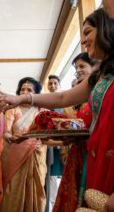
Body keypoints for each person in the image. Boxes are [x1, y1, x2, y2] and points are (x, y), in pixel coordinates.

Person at [0, 8, 114, 211]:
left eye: (88, 32)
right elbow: (63, 97)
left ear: (109, 28)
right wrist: (21, 98)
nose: (84, 41)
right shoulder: (104, 75)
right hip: (104, 168)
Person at [53, 52, 96, 212]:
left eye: (82, 66)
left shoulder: (99, 92)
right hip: (77, 152)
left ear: (95, 67)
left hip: (94, 153)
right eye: (76, 67)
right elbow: (62, 99)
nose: (78, 70)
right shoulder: (78, 98)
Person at [0, 77, 47, 212]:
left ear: (35, 94)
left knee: (35, 188)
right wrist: (11, 137)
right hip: (15, 154)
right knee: (13, 188)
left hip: (36, 155)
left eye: (29, 90)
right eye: (22, 90)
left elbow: (46, 134)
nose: (25, 92)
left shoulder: (42, 111)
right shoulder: (12, 109)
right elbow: (7, 132)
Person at [45, 74, 65, 212]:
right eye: (50, 83)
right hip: (47, 147)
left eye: (55, 83)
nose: (53, 86)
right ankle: (51, 206)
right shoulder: (44, 102)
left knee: (63, 176)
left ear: (59, 85)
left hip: (62, 146)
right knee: (50, 178)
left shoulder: (65, 103)